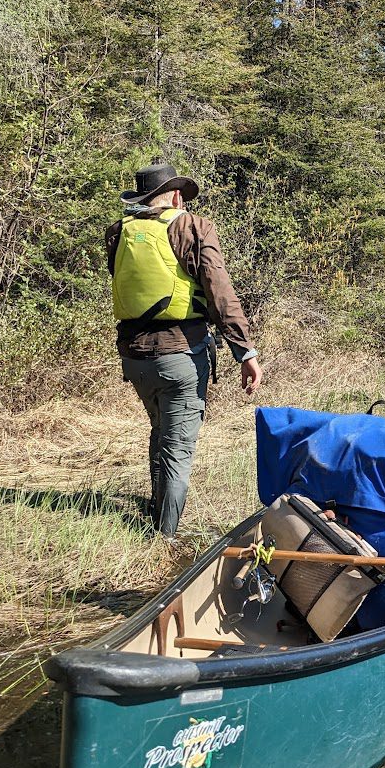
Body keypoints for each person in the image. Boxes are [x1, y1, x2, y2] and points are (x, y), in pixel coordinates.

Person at [106, 162, 262, 535]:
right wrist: (245, 352)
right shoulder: (193, 227)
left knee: (160, 431)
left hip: (134, 356)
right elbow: (219, 292)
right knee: (177, 448)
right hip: (181, 355)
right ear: (176, 196)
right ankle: (165, 535)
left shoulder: (118, 232)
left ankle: (158, 511)